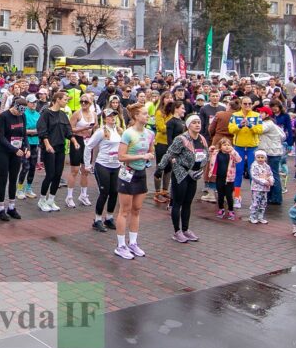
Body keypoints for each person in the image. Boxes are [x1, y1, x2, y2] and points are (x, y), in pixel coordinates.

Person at [113, 103, 154, 260]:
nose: (147, 116)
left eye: (147, 114)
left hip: (141, 173)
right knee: (125, 210)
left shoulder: (150, 133)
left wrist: (149, 156)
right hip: (127, 173)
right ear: (136, 116)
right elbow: (121, 156)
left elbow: (150, 150)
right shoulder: (128, 134)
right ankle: (121, 245)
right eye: (144, 114)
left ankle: (133, 243)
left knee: (137, 209)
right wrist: (141, 157)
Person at [160, 113, 208, 243]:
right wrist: (160, 168)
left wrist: (201, 169)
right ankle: (177, 231)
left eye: (199, 122)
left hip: (194, 174)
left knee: (188, 203)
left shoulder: (202, 139)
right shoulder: (181, 139)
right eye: (194, 122)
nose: (197, 125)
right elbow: (169, 153)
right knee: (178, 202)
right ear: (188, 125)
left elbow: (205, 154)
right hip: (181, 174)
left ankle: (186, 229)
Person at [84, 108, 122, 233]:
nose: (112, 118)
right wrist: (87, 164)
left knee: (114, 192)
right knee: (104, 192)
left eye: (114, 116)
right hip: (103, 165)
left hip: (115, 165)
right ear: (105, 118)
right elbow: (89, 146)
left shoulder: (119, 131)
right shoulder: (101, 131)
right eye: (110, 116)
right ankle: (97, 220)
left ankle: (109, 218)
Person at [37, 91, 72, 212]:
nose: (66, 102)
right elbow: (42, 130)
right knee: (50, 174)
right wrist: (47, 144)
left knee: (58, 175)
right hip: (49, 148)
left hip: (60, 147)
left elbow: (68, 130)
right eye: (65, 99)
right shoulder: (46, 113)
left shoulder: (63, 114)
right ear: (58, 99)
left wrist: (74, 140)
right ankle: (42, 200)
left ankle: (51, 199)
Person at [0, 97, 28, 221]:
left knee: (13, 179)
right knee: (3, 180)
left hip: (17, 153)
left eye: (22, 112)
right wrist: (14, 150)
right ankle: (0, 208)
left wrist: (27, 148)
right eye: (19, 111)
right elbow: (2, 138)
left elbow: (24, 135)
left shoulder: (22, 116)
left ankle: (12, 207)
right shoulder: (4, 116)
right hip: (4, 152)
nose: (20, 114)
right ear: (14, 106)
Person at [227, 96, 263, 209]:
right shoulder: (235, 115)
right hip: (239, 147)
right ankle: (237, 197)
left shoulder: (256, 116)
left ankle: (254, 198)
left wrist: (251, 126)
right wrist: (239, 126)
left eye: (249, 103)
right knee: (238, 172)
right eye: (245, 104)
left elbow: (260, 130)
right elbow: (231, 129)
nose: (247, 106)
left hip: (252, 147)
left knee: (253, 173)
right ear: (241, 104)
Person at [65, 94, 97, 208]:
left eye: (86, 102)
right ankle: (69, 197)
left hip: (88, 143)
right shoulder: (77, 114)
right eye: (81, 101)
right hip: (78, 141)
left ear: (91, 103)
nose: (83, 103)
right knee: (75, 169)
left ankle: (83, 195)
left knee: (85, 170)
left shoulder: (94, 114)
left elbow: (96, 128)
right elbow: (69, 129)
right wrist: (83, 128)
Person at [210, 138, 242, 220]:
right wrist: (211, 149)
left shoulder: (232, 154)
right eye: (224, 145)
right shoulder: (216, 153)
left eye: (229, 145)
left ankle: (231, 210)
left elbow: (239, 159)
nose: (227, 147)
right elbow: (209, 155)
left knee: (229, 195)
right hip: (219, 177)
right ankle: (221, 209)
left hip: (229, 179)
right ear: (220, 146)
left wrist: (233, 151)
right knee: (220, 195)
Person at [16, 94, 41, 199]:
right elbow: (22, 130)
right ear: (27, 103)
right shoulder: (23, 114)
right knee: (25, 166)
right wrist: (33, 131)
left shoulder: (38, 114)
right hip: (25, 144)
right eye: (32, 102)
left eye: (35, 102)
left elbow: (41, 128)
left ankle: (28, 189)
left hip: (35, 143)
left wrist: (35, 132)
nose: (34, 104)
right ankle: (19, 189)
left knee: (32, 167)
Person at [247, 150, 275, 224]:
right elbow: (254, 176)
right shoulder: (254, 166)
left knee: (263, 202)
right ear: (255, 158)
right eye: (258, 157)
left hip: (265, 188)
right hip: (256, 188)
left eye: (262, 157)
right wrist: (264, 181)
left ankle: (260, 217)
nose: (260, 159)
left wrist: (271, 180)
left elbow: (270, 174)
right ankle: (252, 217)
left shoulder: (267, 166)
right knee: (255, 203)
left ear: (265, 158)